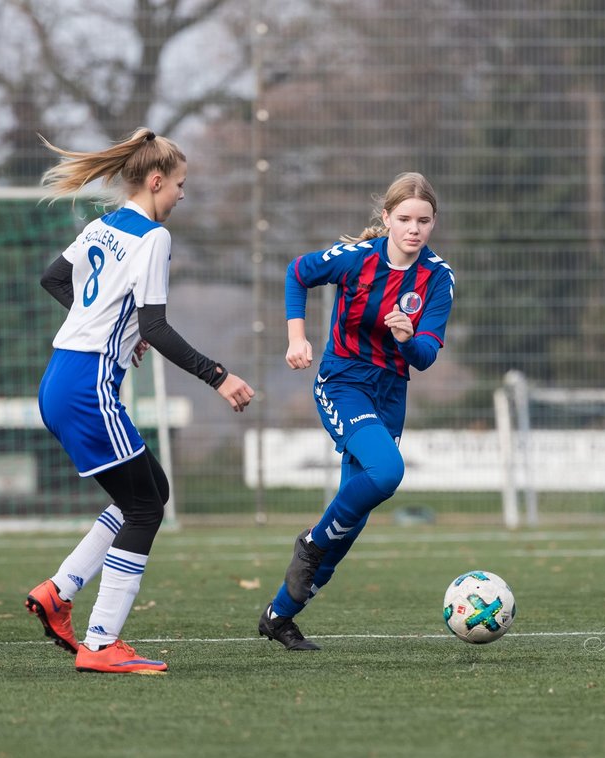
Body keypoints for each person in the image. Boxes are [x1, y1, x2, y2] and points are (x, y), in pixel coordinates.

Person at [23, 127, 255, 674]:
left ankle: (60, 592)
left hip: (60, 379)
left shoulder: (103, 225)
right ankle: (101, 644)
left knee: (151, 491)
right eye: (180, 185)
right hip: (87, 390)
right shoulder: (154, 238)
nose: (181, 195)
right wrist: (218, 376)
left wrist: (111, 324)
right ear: (155, 181)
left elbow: (55, 279)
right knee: (147, 508)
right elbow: (158, 324)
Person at [258, 172, 455, 651]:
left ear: (433, 224)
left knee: (351, 523)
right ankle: (310, 544)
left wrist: (407, 338)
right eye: (404, 218)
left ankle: (279, 615)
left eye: (423, 221)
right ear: (386, 218)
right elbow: (297, 273)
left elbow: (427, 356)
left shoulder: (438, 278)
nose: (414, 229)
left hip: (390, 394)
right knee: (386, 473)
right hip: (343, 383)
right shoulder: (356, 260)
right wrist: (296, 337)